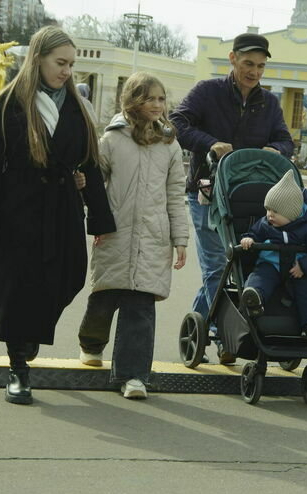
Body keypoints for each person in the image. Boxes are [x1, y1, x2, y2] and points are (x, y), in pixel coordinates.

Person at [0, 26, 115, 405]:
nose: (67, 72)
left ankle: (30, 334)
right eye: (60, 63)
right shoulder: (9, 103)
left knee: (67, 277)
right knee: (17, 288)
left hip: (62, 211)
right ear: (38, 59)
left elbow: (90, 165)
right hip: (18, 213)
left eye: (71, 64)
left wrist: (99, 218)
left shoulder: (77, 108)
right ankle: (18, 367)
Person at [170, 33, 294, 364]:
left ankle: (202, 322)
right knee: (216, 265)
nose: (255, 72)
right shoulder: (207, 92)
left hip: (248, 201)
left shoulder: (269, 103)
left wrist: (276, 149)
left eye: (261, 67)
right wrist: (209, 142)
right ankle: (229, 338)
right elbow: (176, 123)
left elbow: (285, 140)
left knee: (231, 268)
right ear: (232, 59)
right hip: (207, 194)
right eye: (248, 64)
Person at [77, 72, 188, 399]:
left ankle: (133, 375)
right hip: (115, 234)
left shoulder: (169, 144)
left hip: (154, 237)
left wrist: (179, 239)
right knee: (104, 297)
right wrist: (97, 222)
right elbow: (96, 185)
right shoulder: (111, 140)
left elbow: (175, 194)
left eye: (161, 99)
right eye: (150, 98)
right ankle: (91, 343)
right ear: (132, 101)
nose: (157, 105)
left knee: (140, 307)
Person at [240, 171, 307, 339]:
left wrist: (305, 265)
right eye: (268, 209)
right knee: (260, 276)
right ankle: (255, 298)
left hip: (299, 269)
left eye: (275, 211)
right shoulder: (266, 224)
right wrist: (248, 239)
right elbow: (254, 233)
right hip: (271, 264)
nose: (269, 215)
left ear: (292, 213)